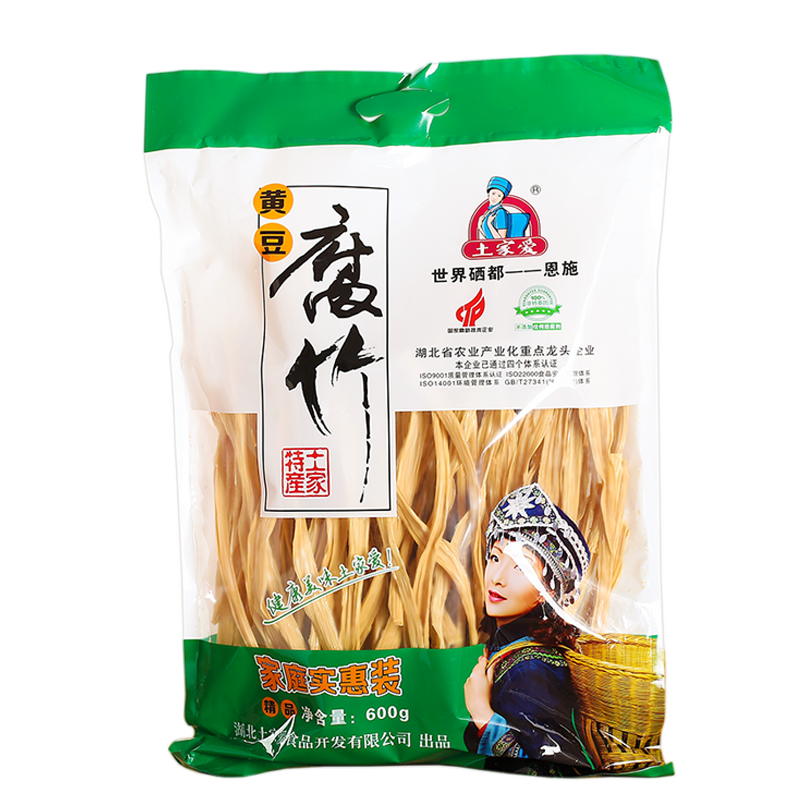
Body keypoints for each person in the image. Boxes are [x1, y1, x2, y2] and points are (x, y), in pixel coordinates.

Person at [463, 483, 594, 769]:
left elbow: (554, 770)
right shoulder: (510, 651)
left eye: (521, 567)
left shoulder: (530, 669)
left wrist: (482, 713)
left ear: (549, 590)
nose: (496, 578)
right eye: (495, 557)